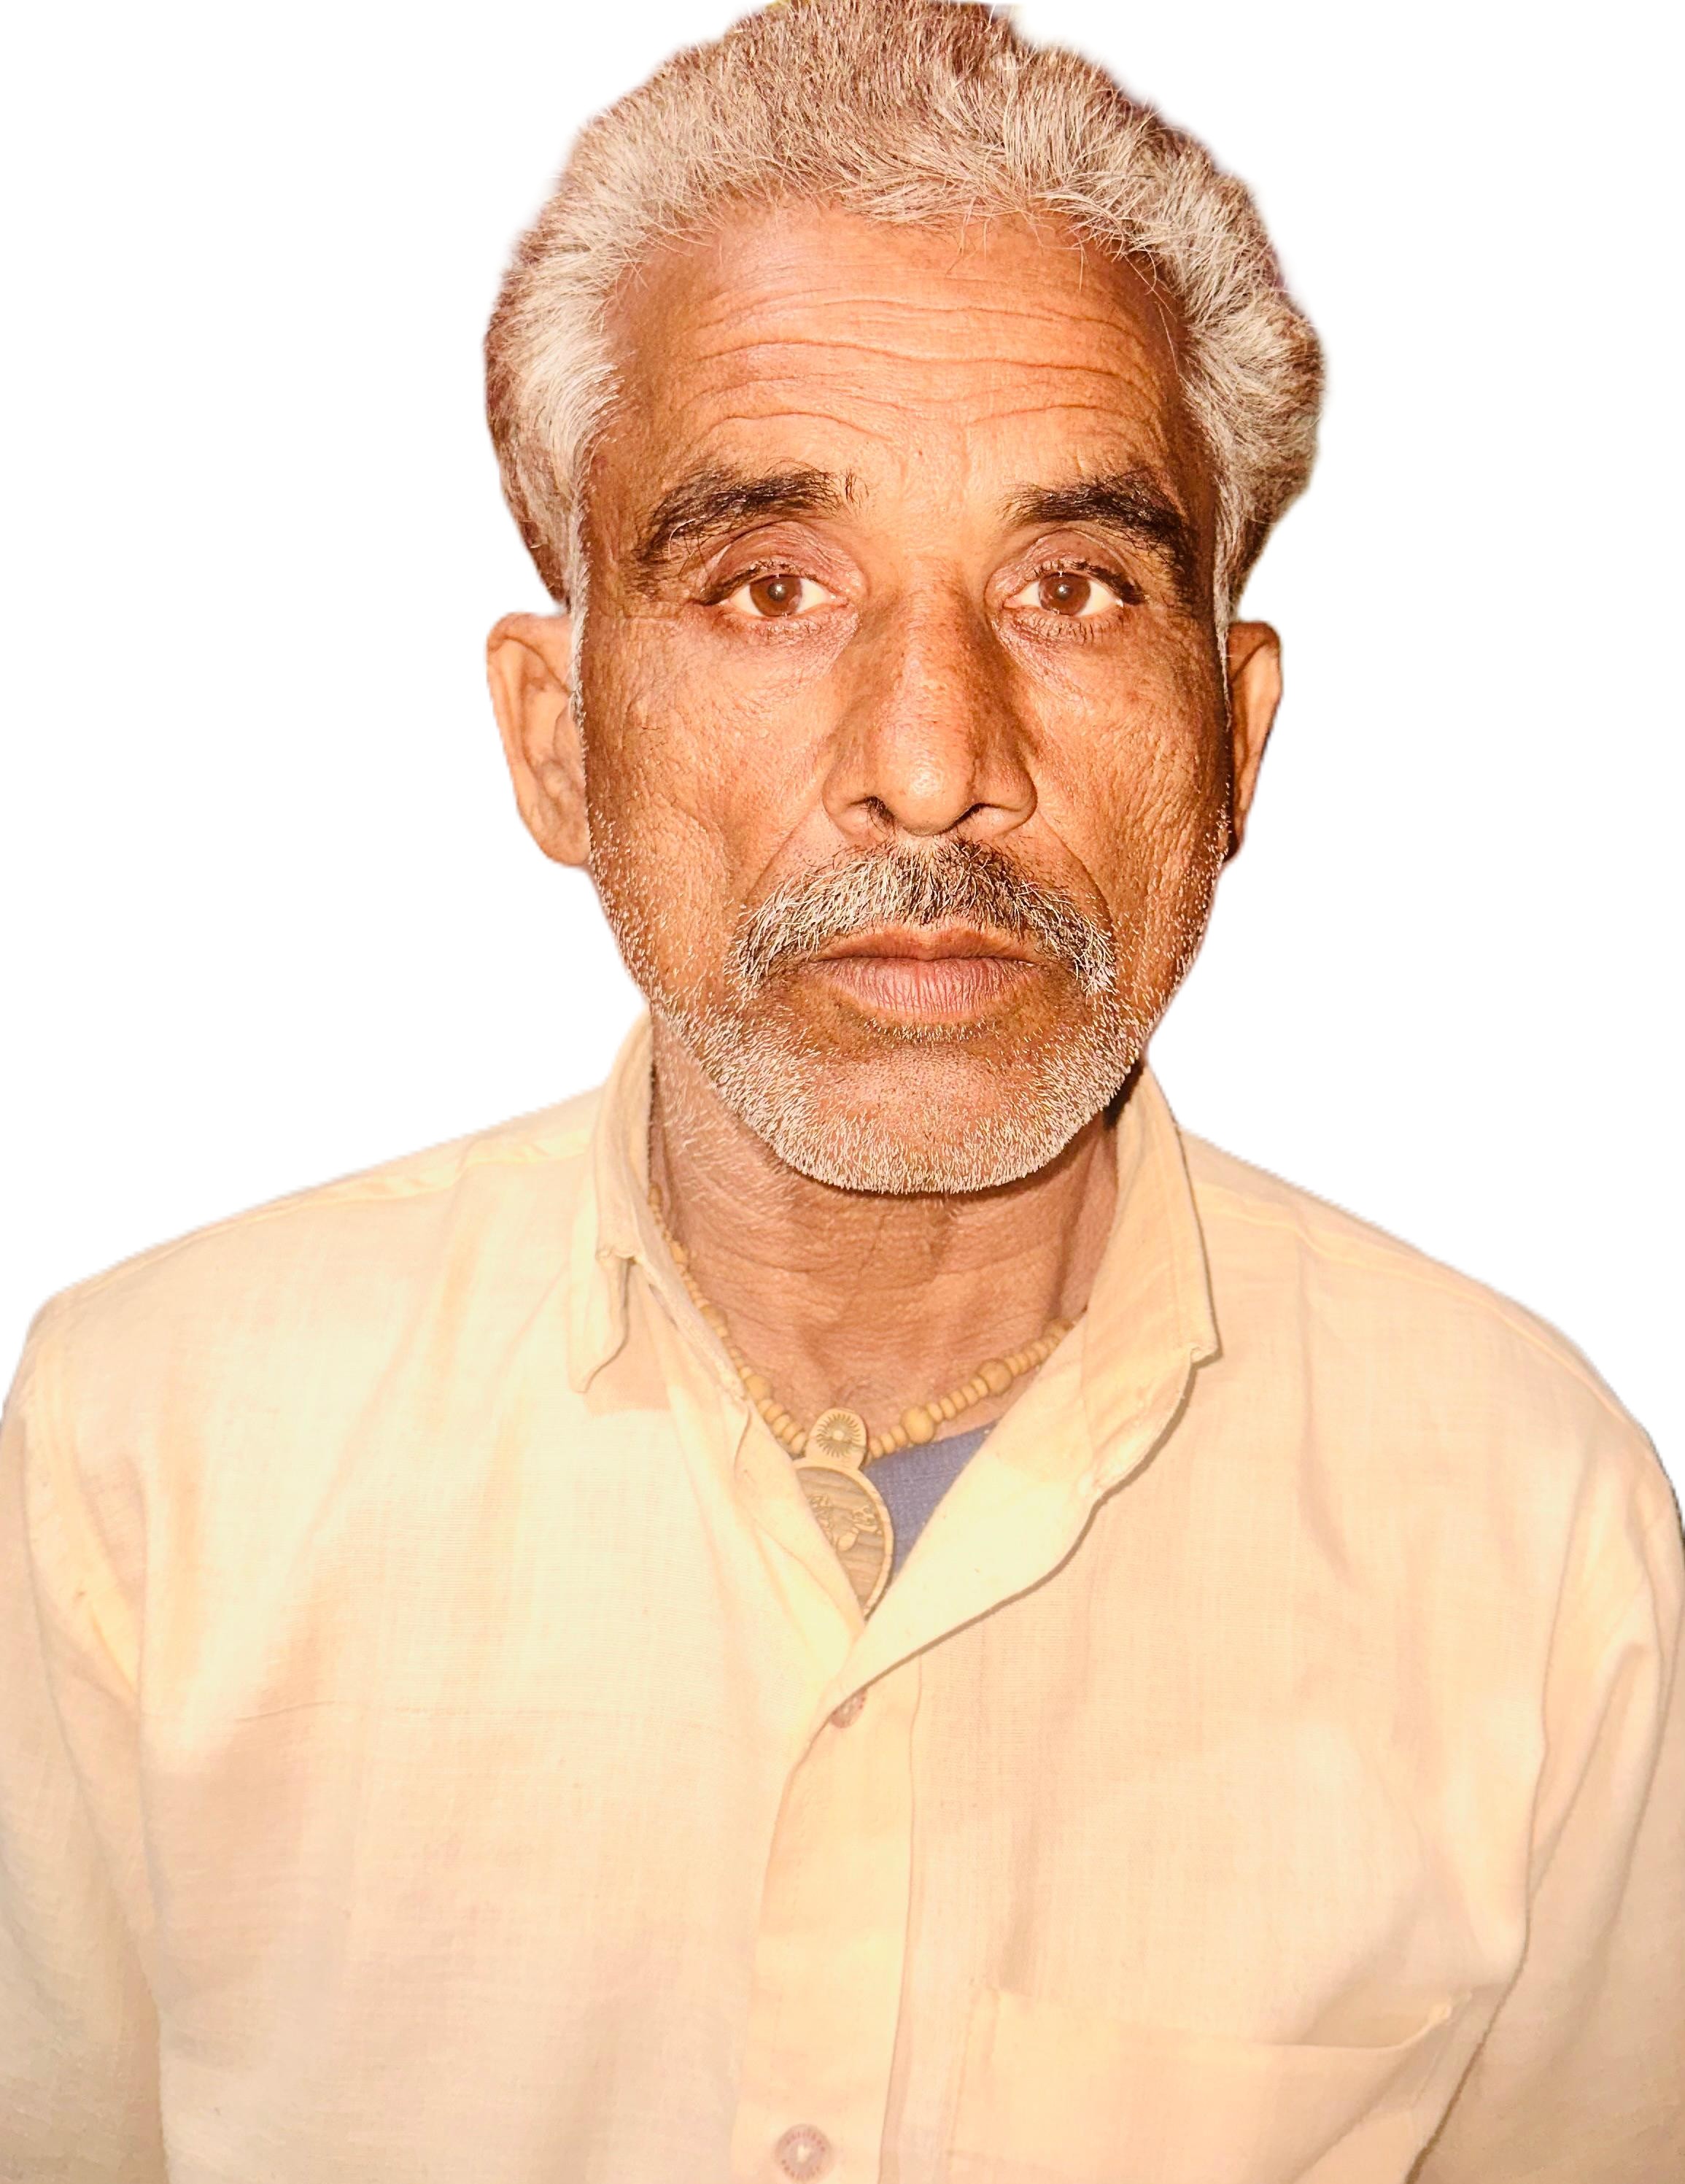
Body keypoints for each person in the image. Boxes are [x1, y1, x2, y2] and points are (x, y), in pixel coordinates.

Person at [2, 1, 1679, 2177]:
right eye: (773, 586)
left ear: (1234, 737)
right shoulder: (149, 1464)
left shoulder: (1532, 1535)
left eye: (1074, 588)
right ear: (558, 742)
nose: (932, 757)